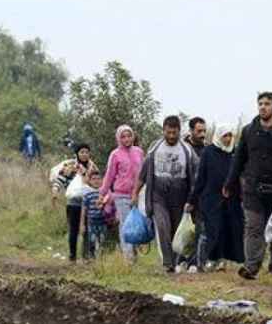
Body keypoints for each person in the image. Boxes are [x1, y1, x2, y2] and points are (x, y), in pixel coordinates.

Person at [227, 92, 272, 279]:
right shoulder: (248, 131)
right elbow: (239, 158)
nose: (263, 107)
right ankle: (251, 267)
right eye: (260, 103)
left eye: (267, 104)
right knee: (253, 227)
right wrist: (230, 181)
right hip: (252, 188)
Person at [133, 116, 199, 274]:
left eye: (174, 133)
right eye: (168, 132)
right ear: (163, 130)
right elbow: (142, 174)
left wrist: (193, 198)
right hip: (158, 195)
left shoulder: (187, 150)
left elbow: (197, 175)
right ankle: (168, 263)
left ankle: (178, 262)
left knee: (177, 230)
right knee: (163, 226)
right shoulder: (154, 149)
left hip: (180, 194)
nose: (171, 136)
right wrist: (135, 193)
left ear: (179, 131)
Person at [188, 123, 243, 272]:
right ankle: (205, 261)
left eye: (230, 135)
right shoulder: (209, 152)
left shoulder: (235, 152)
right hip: (211, 199)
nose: (227, 139)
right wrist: (192, 200)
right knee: (211, 231)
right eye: (225, 135)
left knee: (226, 230)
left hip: (230, 200)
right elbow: (201, 178)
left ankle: (221, 261)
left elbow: (239, 175)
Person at [100, 125, 144, 263]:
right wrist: (103, 193)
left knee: (137, 224)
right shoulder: (115, 154)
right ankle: (128, 257)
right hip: (121, 195)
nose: (126, 139)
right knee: (125, 225)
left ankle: (134, 252)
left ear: (133, 137)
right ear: (119, 138)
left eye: (129, 136)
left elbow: (143, 172)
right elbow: (109, 175)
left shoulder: (139, 152)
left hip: (137, 194)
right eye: (123, 136)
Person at [52, 143, 99, 262]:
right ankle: (72, 256)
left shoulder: (93, 168)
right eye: (81, 152)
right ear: (77, 154)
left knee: (89, 229)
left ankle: (88, 256)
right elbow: (60, 180)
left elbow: (97, 183)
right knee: (74, 230)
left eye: (86, 152)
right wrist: (55, 192)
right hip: (74, 203)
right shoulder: (70, 166)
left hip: (90, 203)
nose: (84, 154)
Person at [80, 170, 107, 259]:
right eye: (93, 179)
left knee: (103, 241)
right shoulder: (87, 194)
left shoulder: (104, 193)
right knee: (91, 240)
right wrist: (82, 224)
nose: (96, 181)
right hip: (91, 222)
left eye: (98, 179)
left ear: (102, 180)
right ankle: (92, 258)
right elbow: (84, 210)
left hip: (103, 222)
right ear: (90, 181)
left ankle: (102, 258)